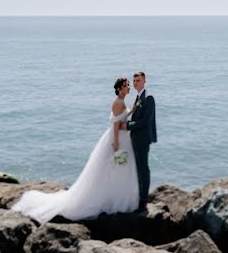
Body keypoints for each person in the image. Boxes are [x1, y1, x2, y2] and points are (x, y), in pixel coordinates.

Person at [12, 77, 139, 223]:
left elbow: (121, 118)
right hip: (117, 139)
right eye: (126, 85)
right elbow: (116, 125)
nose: (129, 87)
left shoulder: (121, 102)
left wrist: (133, 110)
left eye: (129, 85)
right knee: (113, 168)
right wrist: (116, 144)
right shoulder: (118, 103)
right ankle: (111, 197)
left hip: (121, 137)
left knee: (115, 169)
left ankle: (114, 195)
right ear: (119, 89)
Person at [127, 70, 157, 208]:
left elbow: (146, 121)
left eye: (138, 80)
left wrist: (127, 125)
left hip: (143, 139)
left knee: (143, 169)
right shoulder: (139, 97)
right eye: (134, 81)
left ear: (144, 81)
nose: (135, 83)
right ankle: (139, 196)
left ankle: (143, 200)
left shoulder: (148, 97)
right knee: (138, 168)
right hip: (135, 138)